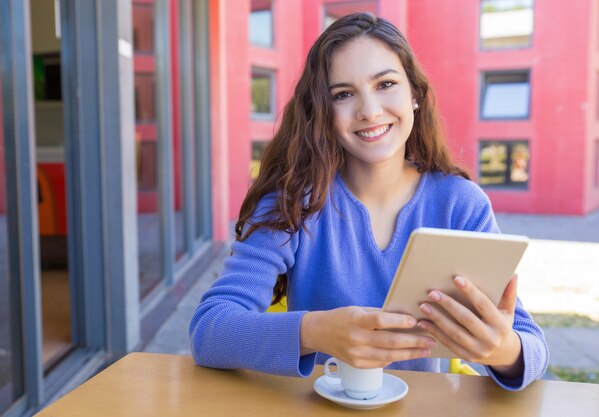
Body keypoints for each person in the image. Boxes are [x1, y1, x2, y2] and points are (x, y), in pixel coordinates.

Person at [190, 12, 548, 391]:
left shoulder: (459, 204)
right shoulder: (292, 202)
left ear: (415, 95)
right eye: (343, 94)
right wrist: (316, 331)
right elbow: (209, 330)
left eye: (386, 84)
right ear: (322, 112)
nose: (369, 111)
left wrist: (504, 350)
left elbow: (533, 348)